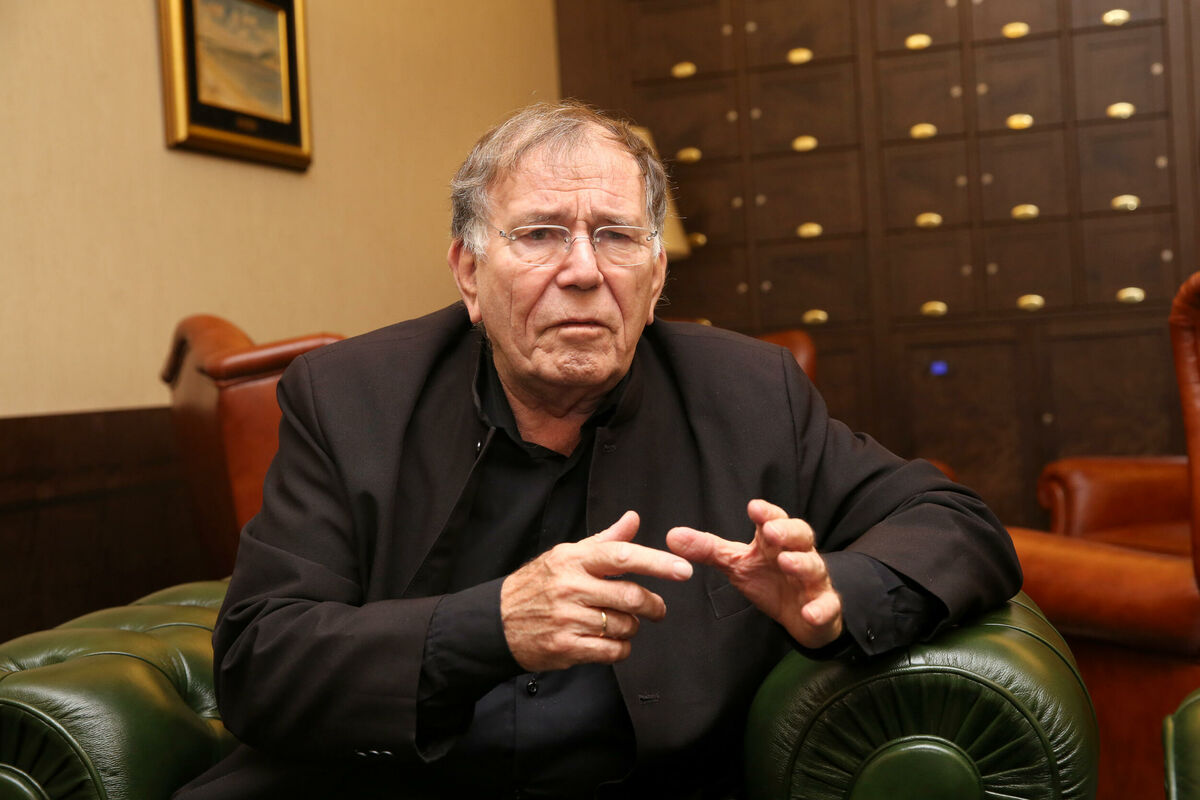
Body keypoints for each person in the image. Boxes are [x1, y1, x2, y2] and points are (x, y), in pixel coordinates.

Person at [175, 101, 1021, 800]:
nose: (584, 270)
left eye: (615, 236)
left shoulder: (750, 394)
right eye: (540, 234)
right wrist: (492, 626)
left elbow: (956, 523)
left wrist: (835, 597)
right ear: (469, 273)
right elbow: (260, 662)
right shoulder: (349, 398)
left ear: (655, 279)